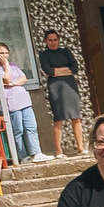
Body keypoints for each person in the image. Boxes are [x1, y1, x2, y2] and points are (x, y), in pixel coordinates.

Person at [38, 28, 84, 160]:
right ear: (46, 41)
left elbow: (74, 68)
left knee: (76, 117)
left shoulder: (66, 51)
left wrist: (57, 71)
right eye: (50, 40)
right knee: (58, 119)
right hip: (55, 87)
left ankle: (80, 147)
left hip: (70, 85)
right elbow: (48, 70)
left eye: (55, 40)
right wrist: (65, 70)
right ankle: (58, 150)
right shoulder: (44, 54)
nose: (53, 42)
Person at [0, 43, 44, 164]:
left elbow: (24, 78)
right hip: (11, 102)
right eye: (2, 53)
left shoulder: (14, 66)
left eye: (6, 53)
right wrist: (6, 65)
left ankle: (36, 152)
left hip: (24, 100)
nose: (5, 55)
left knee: (31, 127)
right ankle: (22, 156)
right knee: (18, 129)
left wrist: (13, 83)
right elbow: (5, 79)